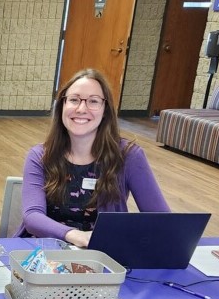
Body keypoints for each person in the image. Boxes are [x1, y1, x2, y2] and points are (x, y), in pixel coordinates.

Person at [18, 68, 169, 247]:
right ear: (62, 107)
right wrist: (76, 236)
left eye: (93, 101)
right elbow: (33, 217)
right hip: (43, 254)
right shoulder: (40, 156)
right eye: (74, 100)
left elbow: (162, 220)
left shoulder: (129, 156)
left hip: (103, 255)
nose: (82, 109)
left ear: (105, 110)